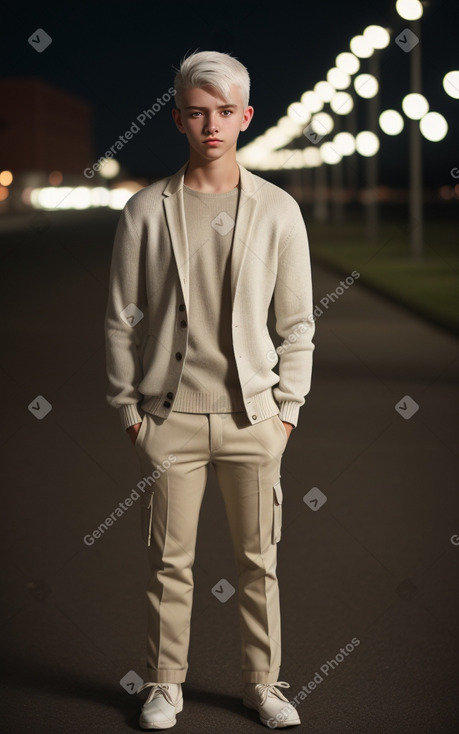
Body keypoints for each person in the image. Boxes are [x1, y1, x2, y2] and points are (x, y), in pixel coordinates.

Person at [104, 49, 315, 730]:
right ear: (178, 119)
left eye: (225, 111)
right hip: (170, 418)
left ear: (246, 116)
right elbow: (118, 318)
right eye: (198, 113)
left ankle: (264, 683)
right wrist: (130, 413)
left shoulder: (278, 211)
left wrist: (285, 414)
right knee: (170, 563)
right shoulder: (143, 210)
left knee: (259, 561)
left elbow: (297, 325)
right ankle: (166, 684)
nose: (212, 125)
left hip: (254, 420)